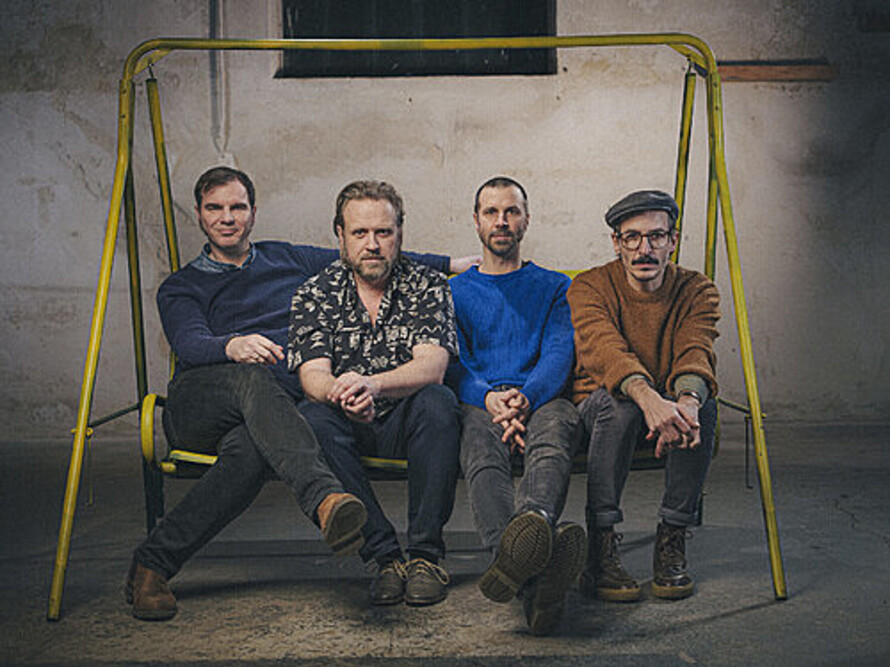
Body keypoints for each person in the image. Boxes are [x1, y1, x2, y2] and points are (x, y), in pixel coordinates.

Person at [127, 166, 469, 621]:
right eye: (215, 208)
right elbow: (189, 344)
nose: (227, 218)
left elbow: (370, 247)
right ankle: (325, 499)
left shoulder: (287, 259)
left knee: (253, 453)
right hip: (204, 399)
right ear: (199, 214)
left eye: (237, 207)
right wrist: (232, 345)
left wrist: (453, 264)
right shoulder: (182, 286)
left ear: (253, 212)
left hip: (270, 416)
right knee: (255, 377)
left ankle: (152, 565)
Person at [289, 180, 461, 608]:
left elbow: (433, 366)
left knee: (439, 402)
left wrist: (373, 383)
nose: (372, 244)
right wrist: (343, 394)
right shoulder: (315, 292)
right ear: (340, 234)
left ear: (399, 232)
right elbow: (313, 375)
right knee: (311, 416)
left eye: (383, 232)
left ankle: (425, 558)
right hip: (346, 421)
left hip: (408, 420)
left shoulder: (427, 284)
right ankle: (384, 558)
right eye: (360, 232)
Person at [567, 189, 720, 602]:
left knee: (702, 406)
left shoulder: (697, 289)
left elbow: (695, 349)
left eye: (656, 236)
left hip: (666, 409)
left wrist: (686, 403)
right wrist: (648, 399)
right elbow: (604, 350)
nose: (644, 249)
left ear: (673, 241)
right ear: (616, 243)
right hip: (603, 407)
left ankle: (672, 538)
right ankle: (600, 548)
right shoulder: (589, 286)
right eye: (632, 238)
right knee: (621, 408)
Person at [449, 176, 585, 635]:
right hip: (482, 401)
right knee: (477, 440)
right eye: (491, 212)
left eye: (511, 211)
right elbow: (454, 362)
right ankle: (532, 573)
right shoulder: (455, 292)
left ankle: (532, 525)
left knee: (560, 424)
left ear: (527, 220)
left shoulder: (554, 286)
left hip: (540, 398)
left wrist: (525, 400)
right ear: (476, 221)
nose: (502, 221)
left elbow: (559, 353)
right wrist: (490, 399)